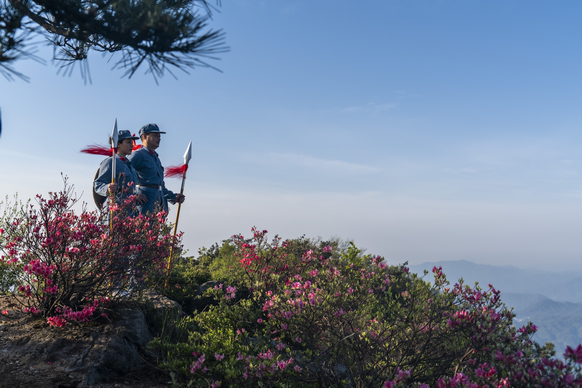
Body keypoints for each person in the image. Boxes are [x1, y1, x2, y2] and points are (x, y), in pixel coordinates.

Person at [128, 123, 185, 216]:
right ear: (144, 136)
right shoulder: (137, 155)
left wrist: (173, 197)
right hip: (144, 207)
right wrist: (133, 195)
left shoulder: (155, 158)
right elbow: (123, 177)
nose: (159, 138)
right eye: (155, 136)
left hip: (158, 206)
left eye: (159, 136)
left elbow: (159, 185)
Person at [93, 130, 147, 212]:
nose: (132, 145)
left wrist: (135, 196)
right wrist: (107, 188)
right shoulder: (110, 162)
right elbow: (97, 185)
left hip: (130, 210)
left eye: (131, 142)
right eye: (128, 142)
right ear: (118, 144)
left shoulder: (129, 165)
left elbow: (128, 188)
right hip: (115, 210)